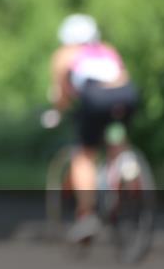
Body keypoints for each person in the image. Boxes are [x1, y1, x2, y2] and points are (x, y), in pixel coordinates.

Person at [43, 14, 139, 242]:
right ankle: (125, 167)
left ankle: (86, 215)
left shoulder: (65, 55)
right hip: (126, 95)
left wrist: (57, 112)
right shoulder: (107, 49)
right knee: (116, 137)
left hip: (95, 98)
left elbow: (61, 93)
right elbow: (122, 75)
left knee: (84, 155)